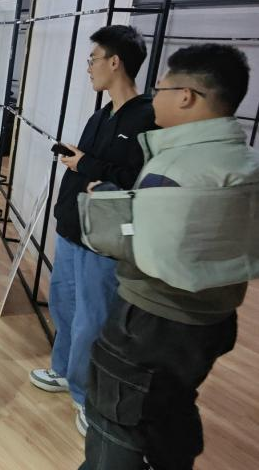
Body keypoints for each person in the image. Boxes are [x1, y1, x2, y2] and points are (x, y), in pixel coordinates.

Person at [77, 44, 258, 470]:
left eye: (160, 88)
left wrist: (108, 203)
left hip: (150, 320)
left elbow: (143, 245)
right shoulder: (244, 161)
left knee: (117, 421)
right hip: (213, 319)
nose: (153, 97)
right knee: (171, 405)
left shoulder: (176, 170)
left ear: (186, 96)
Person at [29, 25, 156, 436]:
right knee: (64, 307)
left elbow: (138, 178)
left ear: (114, 62)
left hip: (104, 237)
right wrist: (80, 163)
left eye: (92, 59)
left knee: (93, 319)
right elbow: (89, 165)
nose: (88, 68)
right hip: (72, 227)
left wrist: (85, 164)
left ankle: (87, 397)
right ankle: (64, 370)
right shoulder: (101, 114)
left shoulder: (147, 117)